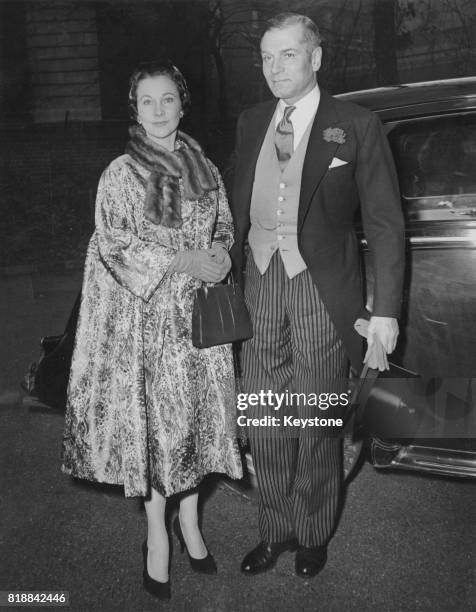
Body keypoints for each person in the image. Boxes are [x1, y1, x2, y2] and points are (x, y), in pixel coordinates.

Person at [227, 13, 405, 578]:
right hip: (257, 280)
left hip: (319, 287)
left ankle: (313, 531)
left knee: (317, 414)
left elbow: (385, 224)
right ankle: (274, 529)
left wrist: (384, 313)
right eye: (266, 57)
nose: (275, 68)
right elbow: (231, 204)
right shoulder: (251, 120)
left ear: (316, 57)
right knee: (264, 415)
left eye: (288, 54)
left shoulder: (355, 123)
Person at [61, 61, 242, 600]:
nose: (159, 110)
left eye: (168, 100)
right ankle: (155, 534)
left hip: (201, 326)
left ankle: (191, 522)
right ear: (135, 110)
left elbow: (226, 226)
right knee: (162, 431)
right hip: (150, 327)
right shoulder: (120, 174)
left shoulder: (204, 167)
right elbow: (111, 245)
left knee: (201, 427)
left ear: (182, 106)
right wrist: (182, 259)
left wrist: (221, 254)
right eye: (148, 101)